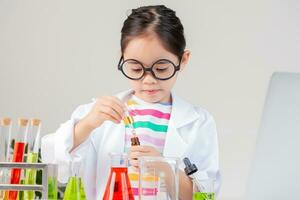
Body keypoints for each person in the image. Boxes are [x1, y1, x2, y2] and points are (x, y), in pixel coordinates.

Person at [41, 5, 221, 199]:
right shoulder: (99, 114)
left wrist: (165, 168)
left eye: (161, 69)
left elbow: (205, 194)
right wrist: (88, 124)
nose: (148, 80)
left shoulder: (198, 123)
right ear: (122, 58)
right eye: (136, 69)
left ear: (183, 60)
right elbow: (55, 163)